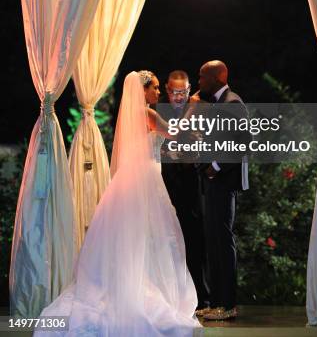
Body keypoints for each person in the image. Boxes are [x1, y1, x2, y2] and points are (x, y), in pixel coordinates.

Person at [34, 72, 201, 337]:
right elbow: (174, 133)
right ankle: (140, 287)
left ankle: (134, 281)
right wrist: (192, 108)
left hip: (134, 176)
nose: (158, 93)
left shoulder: (136, 115)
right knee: (153, 235)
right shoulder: (146, 113)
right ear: (142, 90)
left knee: (139, 235)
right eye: (155, 88)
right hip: (145, 178)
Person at [193, 60, 249, 321]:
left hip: (224, 182)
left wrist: (215, 165)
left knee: (223, 242)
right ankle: (215, 302)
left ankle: (227, 304)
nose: (199, 82)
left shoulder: (232, 103)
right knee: (213, 242)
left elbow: (243, 141)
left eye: (202, 77)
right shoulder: (214, 104)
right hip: (212, 182)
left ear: (217, 77)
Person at [160, 71, 210, 313]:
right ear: (167, 90)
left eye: (182, 92)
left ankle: (201, 296)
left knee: (195, 238)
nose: (178, 97)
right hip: (166, 185)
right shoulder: (158, 112)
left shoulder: (202, 109)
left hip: (193, 184)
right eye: (173, 91)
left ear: (189, 90)